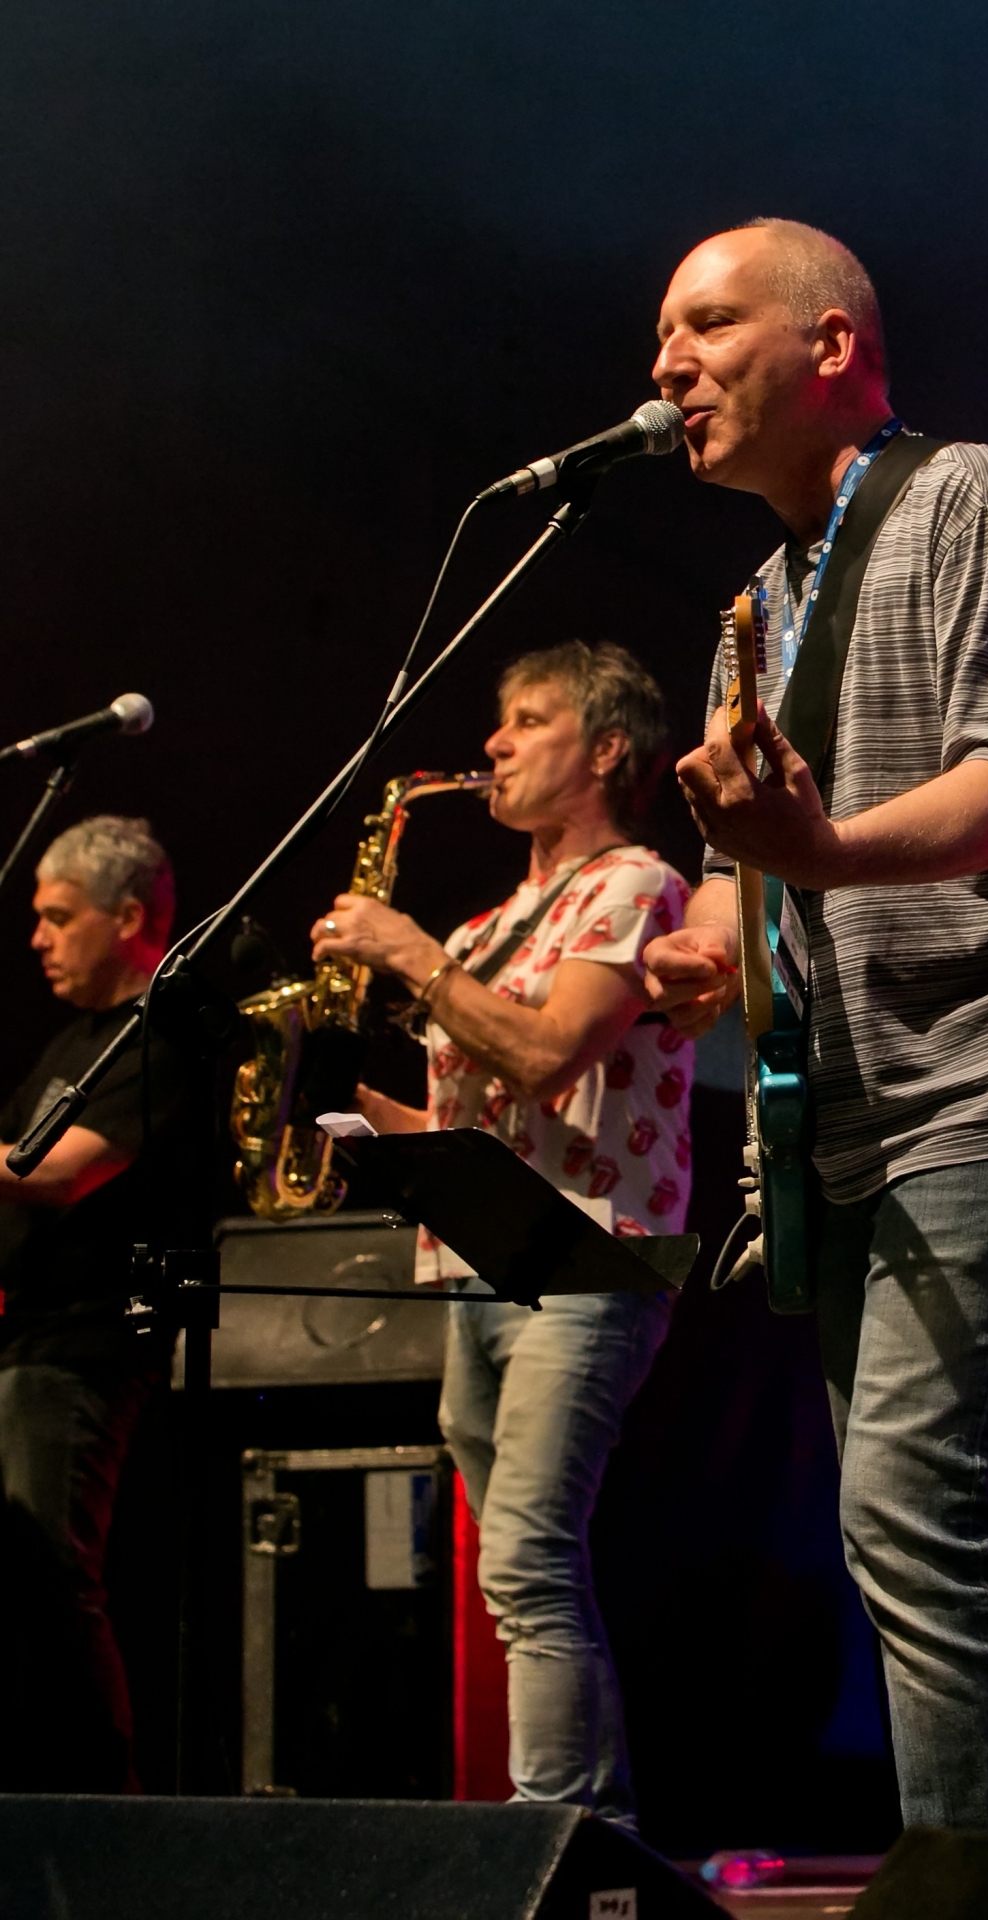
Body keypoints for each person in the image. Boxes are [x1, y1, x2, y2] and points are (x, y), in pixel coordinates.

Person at [640, 218, 988, 1841]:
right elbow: (773, 863)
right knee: (951, 1534)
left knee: (915, 1513)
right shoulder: (762, 601)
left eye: (706, 325)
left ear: (832, 344)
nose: (666, 366)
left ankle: (970, 1896)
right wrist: (718, 941)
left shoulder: (972, 499)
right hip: (863, 1113)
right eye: (661, 338)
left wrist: (816, 856)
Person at [310, 640, 692, 1824]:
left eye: (528, 720)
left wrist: (409, 957)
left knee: (526, 1557)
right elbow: (469, 1119)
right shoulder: (489, 927)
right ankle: (594, 1831)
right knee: (517, 1572)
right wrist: (336, 1105)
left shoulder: (634, 884)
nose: (493, 743)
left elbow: (544, 1056)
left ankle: (555, 1833)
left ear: (606, 749)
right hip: (480, 1255)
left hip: (585, 1253)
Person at [0, 815, 197, 1790]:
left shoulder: (160, 1036)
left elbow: (60, 1172)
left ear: (126, 918)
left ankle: (92, 1805)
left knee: (51, 1579)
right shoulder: (70, 1042)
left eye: (59, 917)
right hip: (28, 1339)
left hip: (82, 1345)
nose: (38, 938)